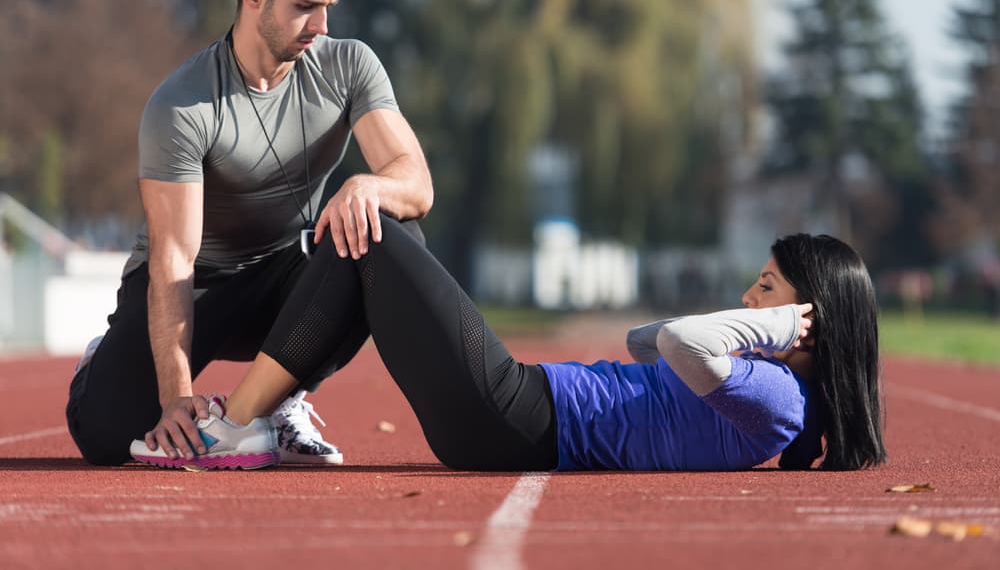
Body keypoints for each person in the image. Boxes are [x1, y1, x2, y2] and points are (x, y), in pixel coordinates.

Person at [67, 0, 433, 467]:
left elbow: (415, 181)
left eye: (328, 5)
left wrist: (367, 185)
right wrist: (174, 399)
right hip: (198, 285)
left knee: (387, 229)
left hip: (287, 275)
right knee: (105, 436)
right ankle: (106, 362)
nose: (321, 26)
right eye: (305, 7)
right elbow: (173, 258)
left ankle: (272, 407)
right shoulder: (183, 106)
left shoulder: (349, 66)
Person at [130, 217, 887, 472]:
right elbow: (645, 340)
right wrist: (766, 323)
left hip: (518, 414)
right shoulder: (764, 387)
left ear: (808, 320)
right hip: (515, 411)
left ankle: (239, 423)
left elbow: (686, 339)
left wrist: (777, 329)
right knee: (364, 240)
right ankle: (265, 415)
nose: (750, 298)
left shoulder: (782, 399)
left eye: (766, 288)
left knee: (369, 232)